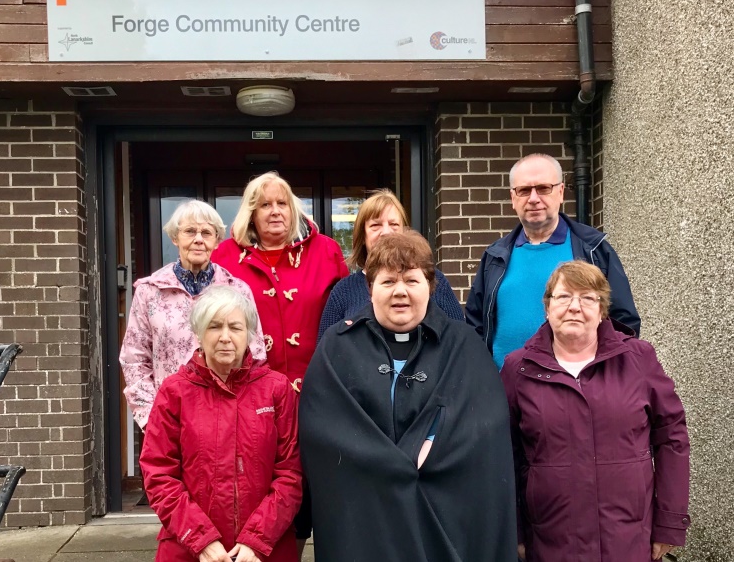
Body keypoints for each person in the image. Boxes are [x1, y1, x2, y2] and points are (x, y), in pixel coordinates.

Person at [300, 230, 517, 561]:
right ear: (370, 289)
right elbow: (324, 425)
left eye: (412, 281)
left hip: (441, 512)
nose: (400, 291)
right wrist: (391, 464)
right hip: (365, 515)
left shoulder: (464, 345)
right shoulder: (337, 345)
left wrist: (434, 443)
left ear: (430, 287)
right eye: (388, 282)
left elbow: (483, 422)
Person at [501, 261, 690, 561]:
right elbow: (504, 453)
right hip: (550, 540)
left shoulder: (639, 358)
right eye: (563, 297)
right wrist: (515, 531)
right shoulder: (518, 368)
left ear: (602, 310)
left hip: (628, 538)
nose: (574, 307)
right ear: (547, 308)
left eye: (587, 298)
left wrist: (669, 521)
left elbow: (672, 439)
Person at [140, 286, 302, 562]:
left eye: (235, 328)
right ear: (199, 334)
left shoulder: (276, 390)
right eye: (215, 327)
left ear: (249, 334)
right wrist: (201, 540)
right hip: (189, 549)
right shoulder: (174, 392)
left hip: (264, 551)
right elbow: (159, 475)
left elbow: (291, 474)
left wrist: (256, 540)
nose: (225, 337)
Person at [465, 153, 641, 369]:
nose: (533, 198)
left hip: (575, 391)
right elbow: (474, 327)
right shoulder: (495, 256)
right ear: (513, 198)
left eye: (543, 188)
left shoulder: (593, 250)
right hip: (504, 392)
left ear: (560, 192)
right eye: (524, 190)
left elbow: (623, 322)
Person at [119, 200, 266, 430]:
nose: (198, 239)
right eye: (190, 231)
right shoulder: (150, 291)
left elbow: (255, 355)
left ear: (216, 241)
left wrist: (244, 412)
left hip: (228, 420)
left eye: (207, 232)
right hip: (169, 420)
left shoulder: (237, 290)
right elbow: (134, 359)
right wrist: (151, 417)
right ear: (175, 238)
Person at [212, 171, 348, 390]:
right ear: (252, 214)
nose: (275, 211)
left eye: (282, 203)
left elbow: (347, 316)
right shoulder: (223, 256)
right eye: (265, 205)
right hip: (247, 391)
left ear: (292, 210)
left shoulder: (326, 251)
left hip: (319, 387)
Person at [318, 189, 463, 341]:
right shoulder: (343, 291)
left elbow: (459, 338)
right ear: (362, 236)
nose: (386, 232)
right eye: (375, 225)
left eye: (394, 224)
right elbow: (326, 350)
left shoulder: (434, 280)